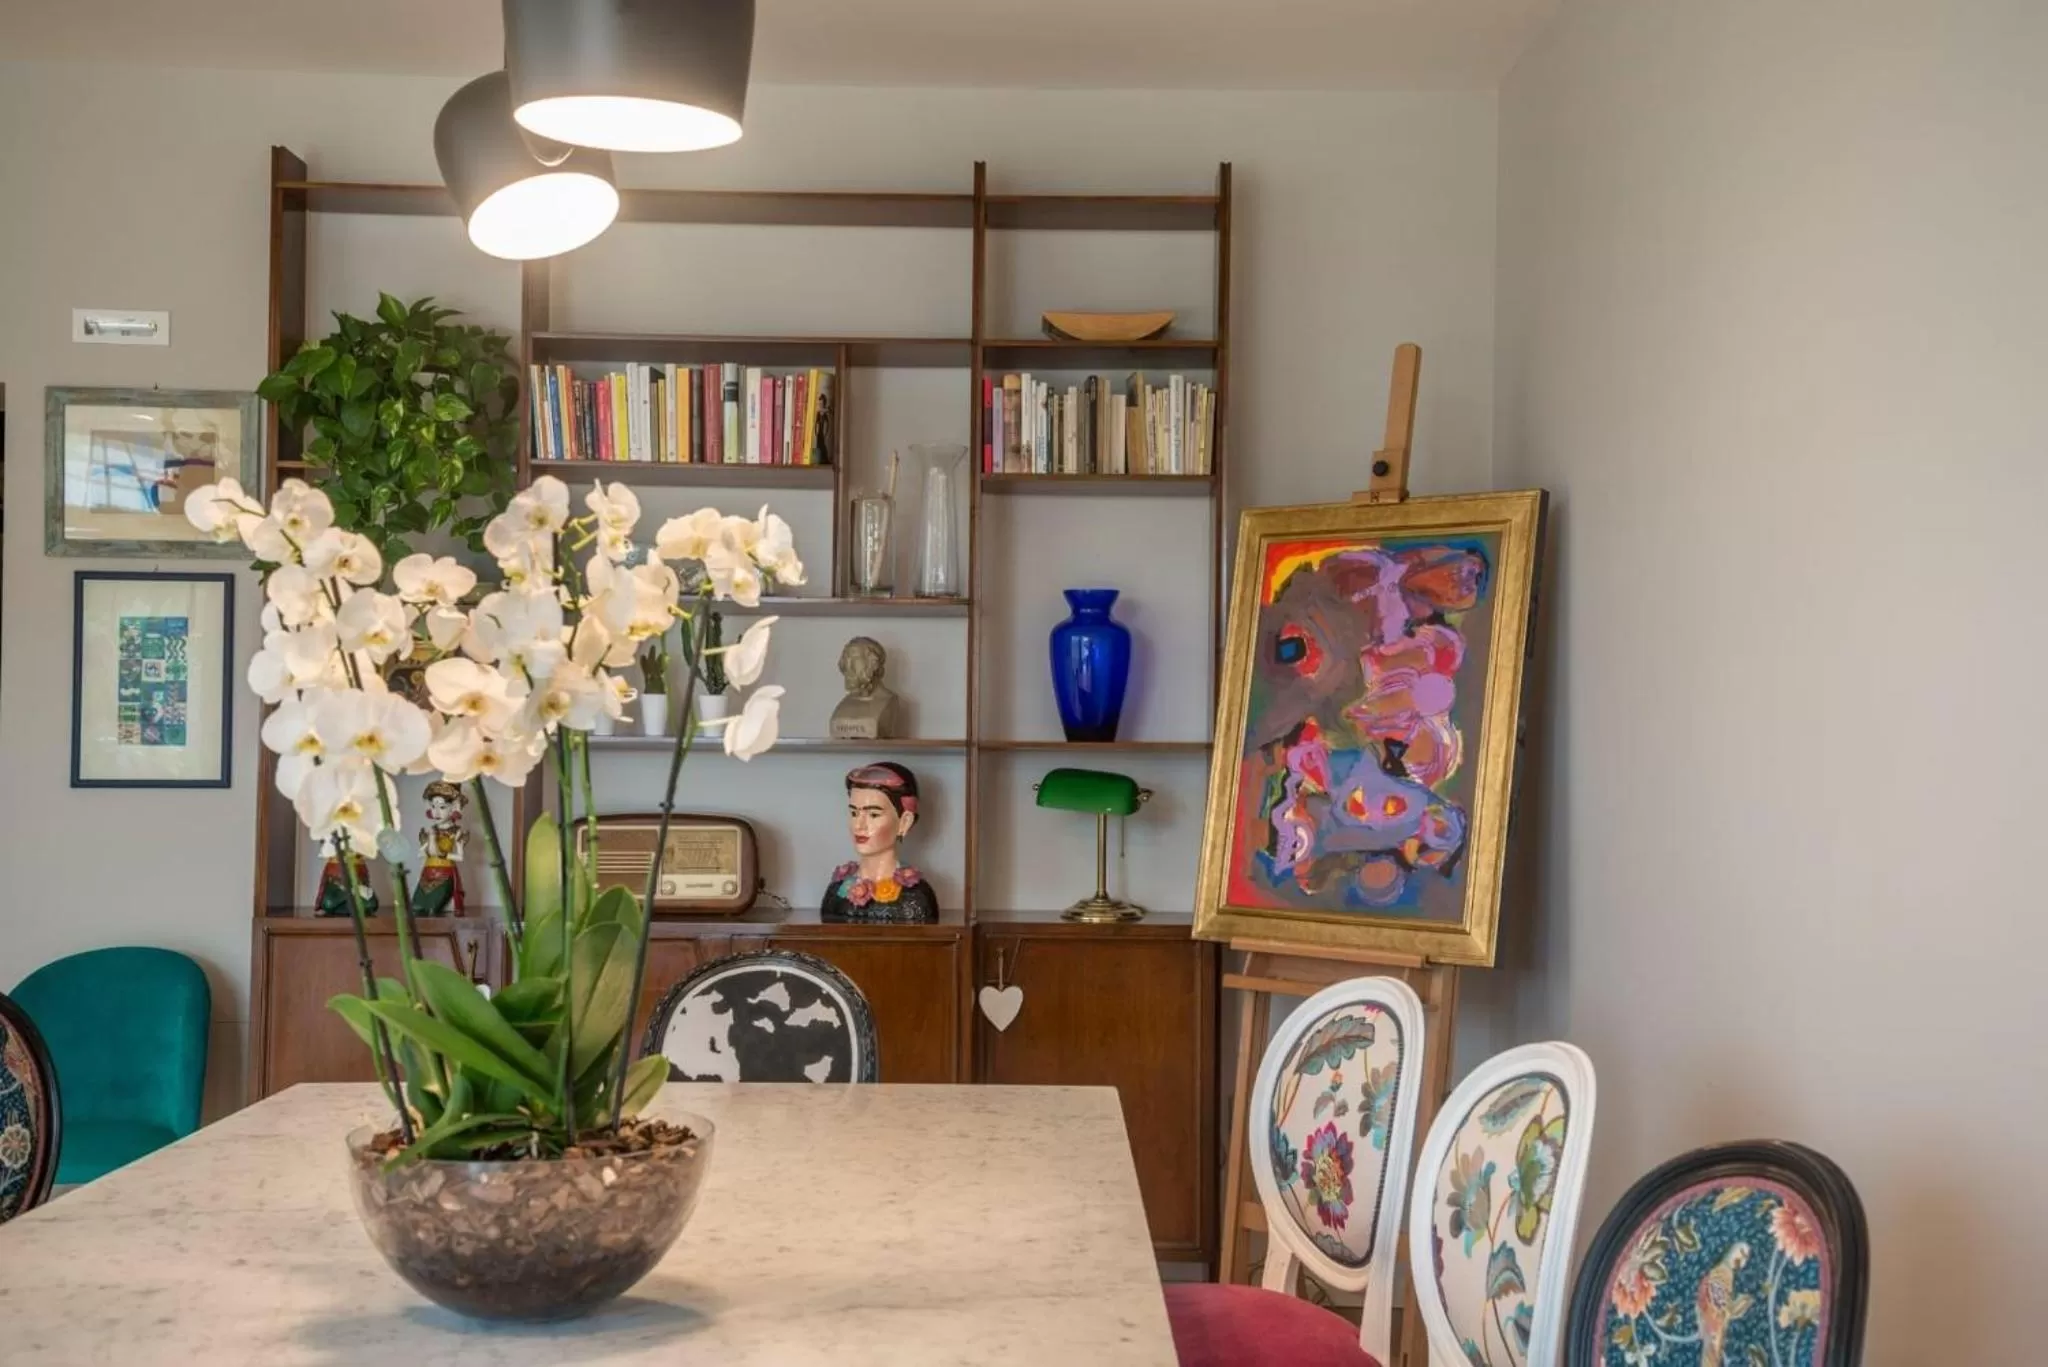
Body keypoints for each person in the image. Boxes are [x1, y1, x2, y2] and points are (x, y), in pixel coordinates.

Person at [821, 761, 940, 924]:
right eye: (854, 813)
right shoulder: (838, 891)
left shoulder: (915, 897)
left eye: (873, 815)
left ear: (904, 822)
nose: (859, 825)